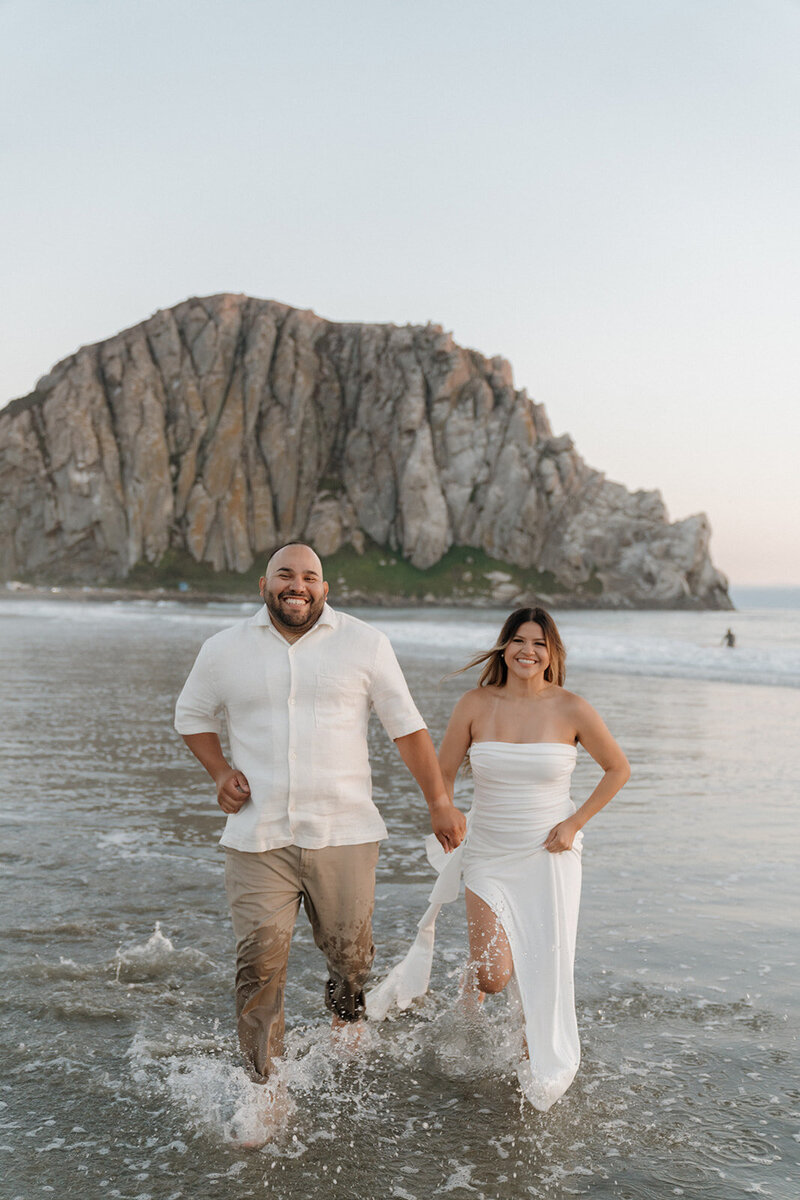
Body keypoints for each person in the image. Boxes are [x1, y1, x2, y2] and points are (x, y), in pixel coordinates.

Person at [174, 543, 466, 1093]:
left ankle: (346, 1015)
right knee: (258, 965)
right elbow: (191, 715)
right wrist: (219, 772)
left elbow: (406, 727)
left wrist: (438, 802)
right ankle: (265, 1087)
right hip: (257, 835)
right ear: (263, 586)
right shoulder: (223, 649)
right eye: (285, 574)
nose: (297, 585)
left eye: (310, 577)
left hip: (344, 831)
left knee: (350, 956)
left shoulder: (366, 644)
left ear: (325, 589)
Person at [369, 607, 629, 1111]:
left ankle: (532, 1056)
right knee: (492, 974)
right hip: (488, 851)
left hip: (550, 853)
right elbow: (442, 773)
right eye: (519, 641)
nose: (528, 651)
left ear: (552, 653)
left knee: (544, 963)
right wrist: (444, 812)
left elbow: (618, 769)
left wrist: (575, 824)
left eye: (539, 643)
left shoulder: (573, 708)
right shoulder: (476, 703)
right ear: (504, 647)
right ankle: (471, 985)